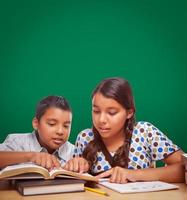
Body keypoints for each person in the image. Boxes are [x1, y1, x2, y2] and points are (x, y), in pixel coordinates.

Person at [64, 77, 184, 183]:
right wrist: (76, 166)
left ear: (129, 112)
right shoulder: (84, 137)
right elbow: (75, 181)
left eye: (112, 113)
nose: (101, 119)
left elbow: (184, 168)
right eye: (96, 111)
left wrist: (133, 174)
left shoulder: (145, 132)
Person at [0, 95, 74, 170]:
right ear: (36, 123)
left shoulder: (73, 151)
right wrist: (31, 156)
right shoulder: (16, 142)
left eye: (66, 126)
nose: (60, 131)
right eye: (52, 124)